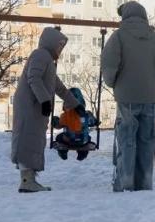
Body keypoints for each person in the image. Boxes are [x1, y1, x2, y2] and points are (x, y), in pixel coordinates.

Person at [101, 1, 155, 191]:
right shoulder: (154, 37)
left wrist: (115, 83)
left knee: (127, 140)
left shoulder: (118, 36)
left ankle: (126, 182)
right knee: (147, 140)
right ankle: (145, 182)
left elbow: (109, 66)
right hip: (149, 97)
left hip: (127, 96)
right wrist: (151, 81)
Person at [11, 26, 82, 193]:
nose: (60, 49)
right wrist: (44, 101)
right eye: (59, 45)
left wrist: (75, 104)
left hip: (34, 106)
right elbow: (33, 78)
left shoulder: (47, 60)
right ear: (51, 42)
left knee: (34, 140)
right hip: (30, 105)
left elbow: (59, 87)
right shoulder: (40, 55)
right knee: (28, 140)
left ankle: (29, 179)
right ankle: (27, 181)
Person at [52, 87, 99, 161]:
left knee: (59, 137)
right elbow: (93, 123)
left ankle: (63, 152)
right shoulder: (88, 115)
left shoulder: (65, 115)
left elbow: (58, 125)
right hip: (83, 142)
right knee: (88, 137)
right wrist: (96, 122)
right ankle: (82, 153)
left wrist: (54, 121)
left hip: (68, 141)